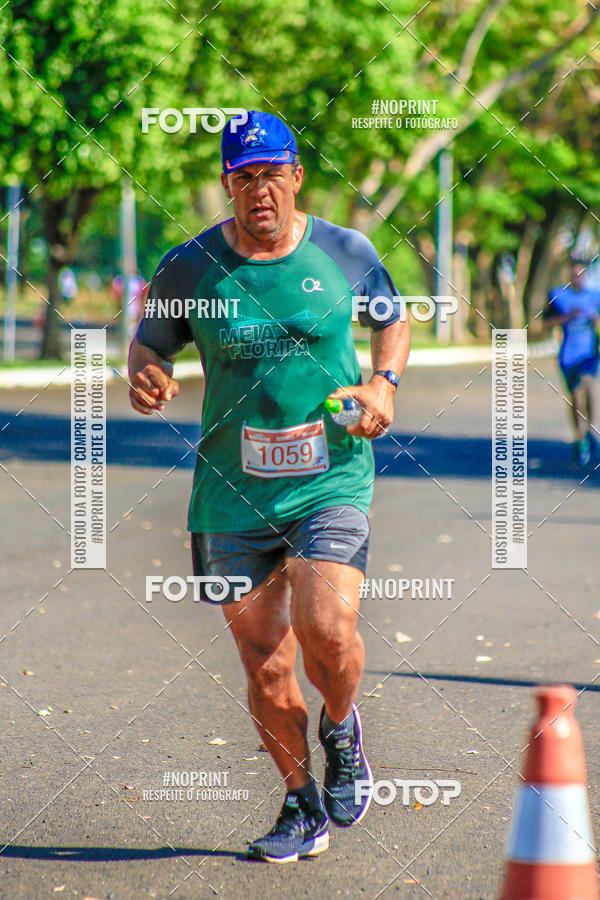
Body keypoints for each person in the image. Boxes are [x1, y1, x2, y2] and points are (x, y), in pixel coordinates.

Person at [128, 110, 410, 863]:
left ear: (296, 176)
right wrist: (146, 370)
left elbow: (393, 318)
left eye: (271, 174)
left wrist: (382, 383)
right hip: (229, 495)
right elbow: (151, 339)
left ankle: (342, 729)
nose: (259, 191)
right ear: (228, 184)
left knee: (328, 630)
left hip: (330, 480)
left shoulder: (344, 251)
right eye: (243, 176)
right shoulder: (189, 267)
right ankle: (300, 805)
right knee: (267, 665)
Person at [545, 258, 600, 465]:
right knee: (576, 398)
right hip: (568, 356)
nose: (577, 278)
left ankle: (590, 430)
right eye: (574, 274)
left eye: (580, 274)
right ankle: (581, 437)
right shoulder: (558, 296)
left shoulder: (595, 296)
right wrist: (567, 318)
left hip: (589, 355)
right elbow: (543, 323)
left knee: (589, 391)